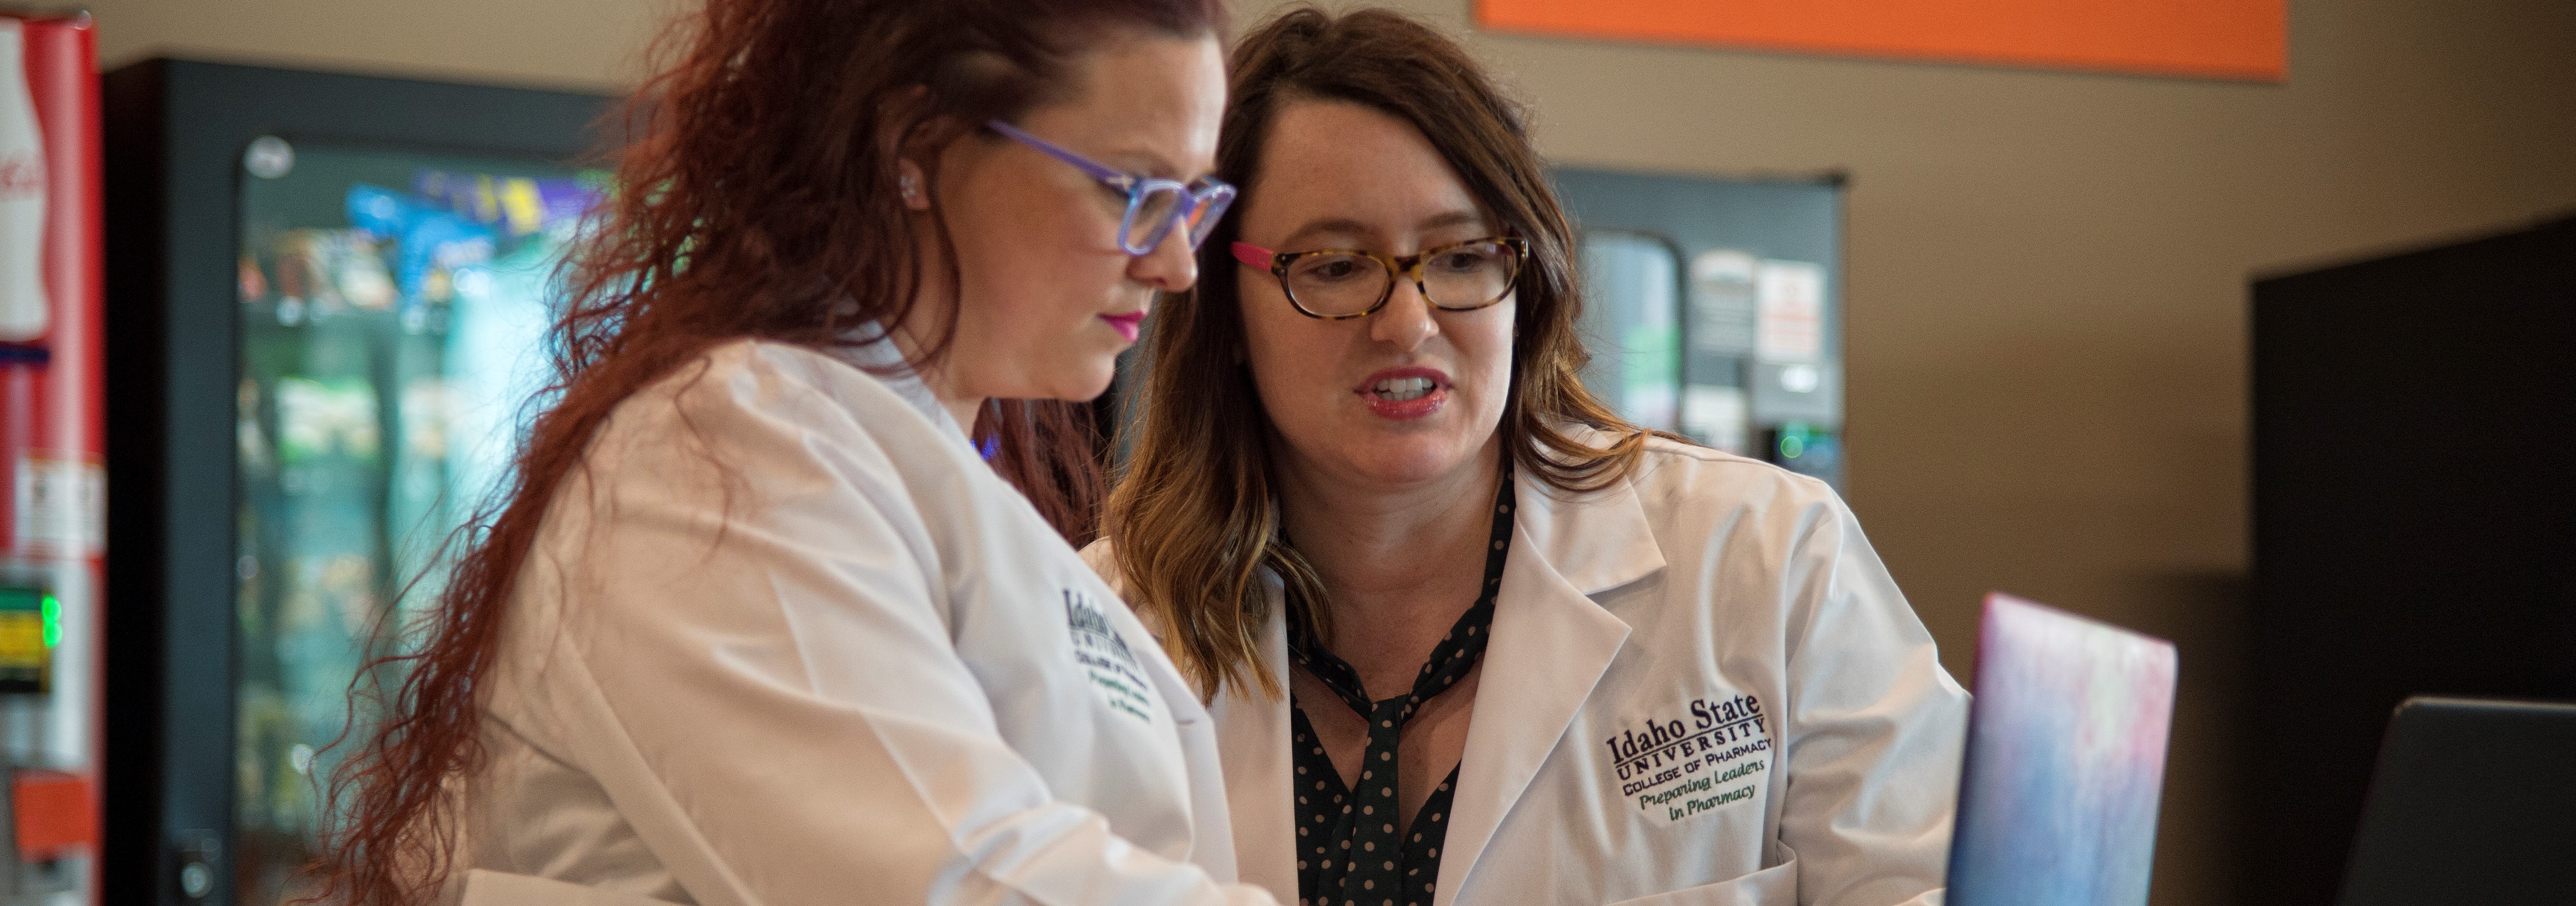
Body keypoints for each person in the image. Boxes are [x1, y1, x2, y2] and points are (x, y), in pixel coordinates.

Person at [312, 2, 1281, 904]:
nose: (1175, 262)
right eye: (1133, 190)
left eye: (1192, 201)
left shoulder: (911, 461)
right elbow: (952, 879)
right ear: (915, 147)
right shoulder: (716, 458)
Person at [1091, 9, 1968, 906]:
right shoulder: (1102, 623)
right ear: (1224, 308)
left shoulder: (1767, 561)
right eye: (1335, 266)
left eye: (1464, 257)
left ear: (1527, 279)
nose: (1409, 323)